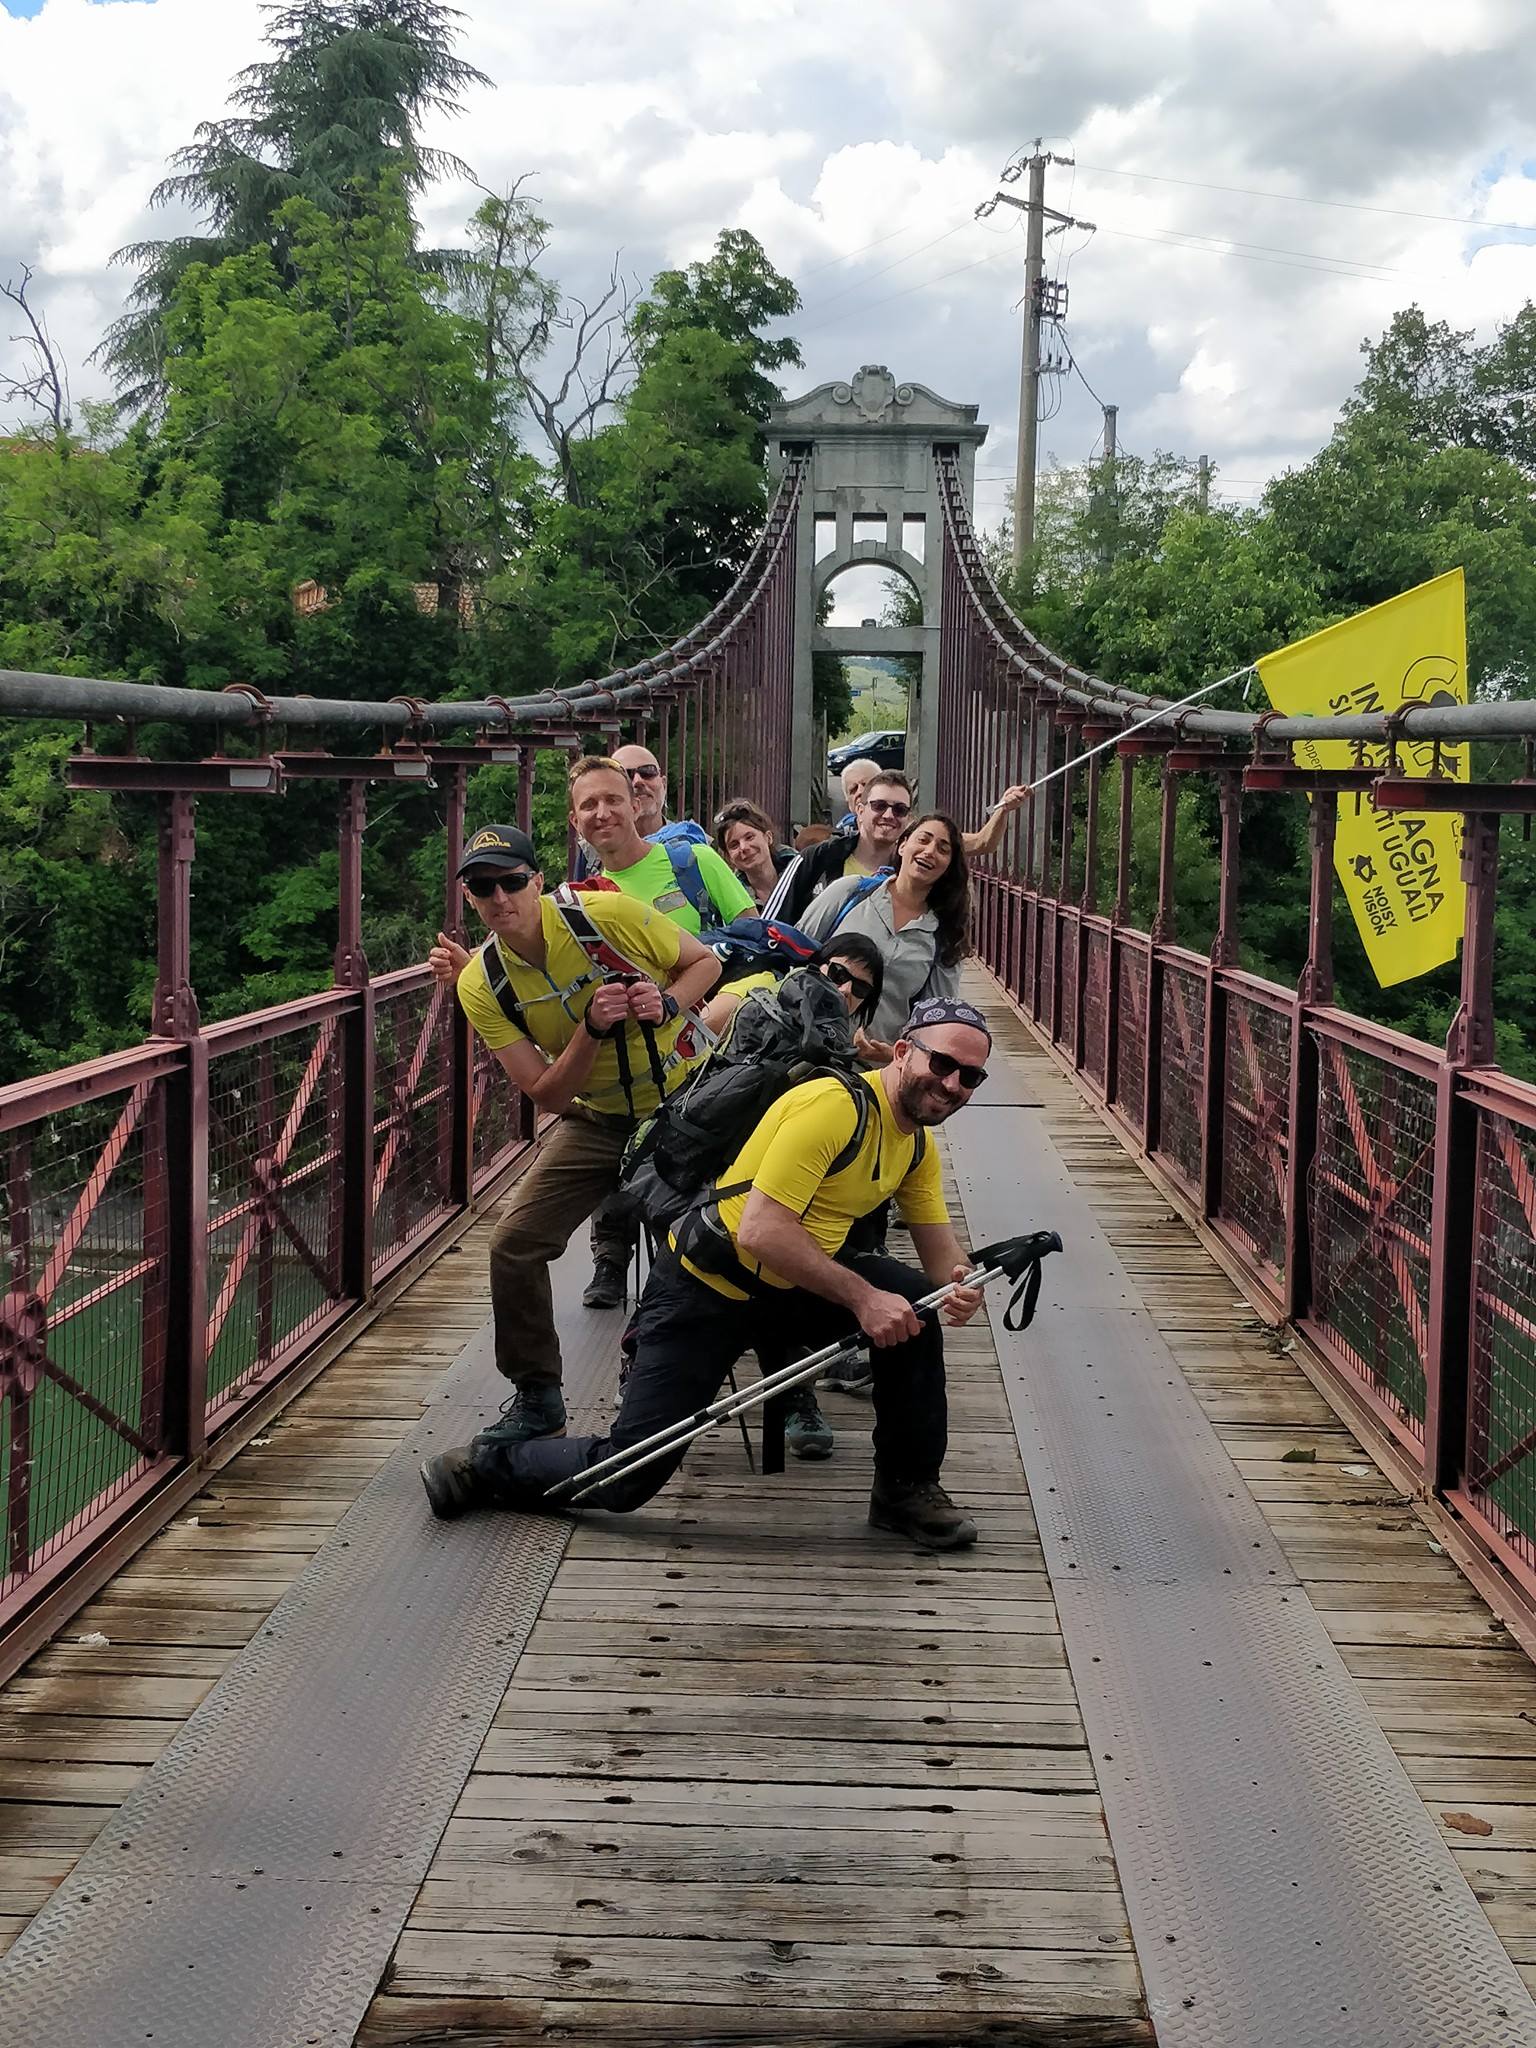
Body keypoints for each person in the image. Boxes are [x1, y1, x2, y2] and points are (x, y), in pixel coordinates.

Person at [421, 998, 998, 1550]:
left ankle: (905, 1489)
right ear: (903, 1051)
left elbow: (940, 1253)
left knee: (918, 1307)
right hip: (707, 1287)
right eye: (942, 1063)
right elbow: (761, 1231)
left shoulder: (915, 1145)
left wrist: (960, 1284)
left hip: (789, 1284)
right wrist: (864, 1298)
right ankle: (484, 1465)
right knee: (627, 1477)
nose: (951, 1084)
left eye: (969, 1077)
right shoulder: (834, 1106)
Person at [428, 821, 721, 1445]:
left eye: (511, 881)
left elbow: (704, 963)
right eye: (483, 887)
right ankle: (537, 1396)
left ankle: (792, 1386)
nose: (499, 898)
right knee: (514, 1241)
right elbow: (547, 1093)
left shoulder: (607, 914)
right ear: (469, 898)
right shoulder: (480, 984)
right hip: (600, 1116)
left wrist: (665, 1003)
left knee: (743, 1230)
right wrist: (590, 1029)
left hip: (688, 1098)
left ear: (538, 880)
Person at [568, 755, 751, 1309]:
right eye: (589, 804)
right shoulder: (579, 892)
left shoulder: (691, 859)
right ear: (576, 820)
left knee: (692, 1163)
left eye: (639, 778)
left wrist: (681, 994)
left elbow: (751, 931)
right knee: (613, 1122)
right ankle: (611, 1254)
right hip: (628, 1048)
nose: (606, 810)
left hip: (703, 1034)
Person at [799, 809, 970, 1059]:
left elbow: (934, 1020)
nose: (930, 851)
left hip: (874, 1070)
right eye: (923, 840)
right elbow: (797, 954)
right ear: (902, 845)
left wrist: (896, 1055)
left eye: (943, 849)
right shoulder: (850, 892)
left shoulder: (943, 935)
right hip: (808, 1048)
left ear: (948, 867)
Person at [779, 770, 914, 922]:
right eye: (879, 805)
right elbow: (771, 925)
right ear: (860, 811)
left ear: (908, 819)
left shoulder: (913, 873)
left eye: (900, 809)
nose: (889, 815)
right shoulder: (817, 858)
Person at [712, 798, 799, 911]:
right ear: (729, 858)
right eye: (734, 845)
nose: (743, 847)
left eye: (749, 837)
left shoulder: (802, 873)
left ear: (768, 837)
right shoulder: (731, 898)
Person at [834, 755, 883, 833]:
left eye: (866, 785)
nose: (860, 792)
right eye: (853, 789)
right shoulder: (842, 831)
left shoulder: (897, 824)